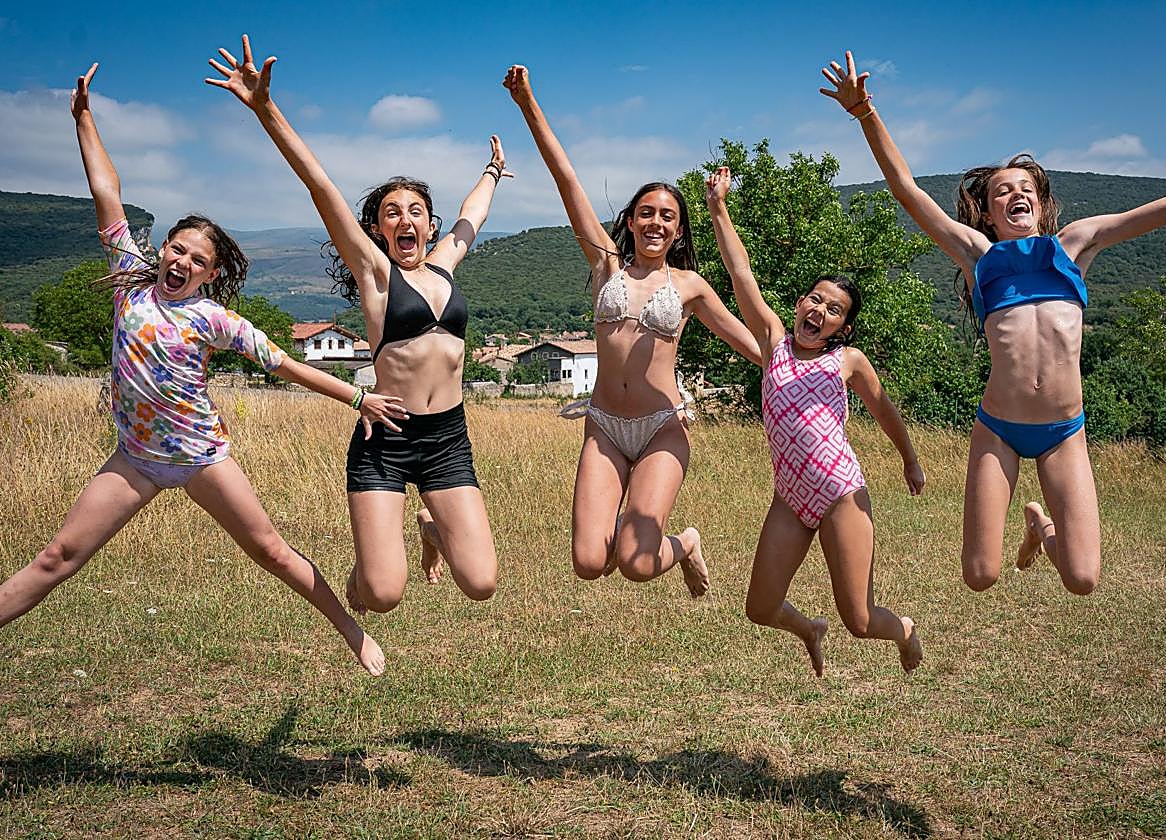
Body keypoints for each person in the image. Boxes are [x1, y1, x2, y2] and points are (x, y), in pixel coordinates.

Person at [0, 63, 404, 676]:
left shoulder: (216, 321)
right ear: (161, 249)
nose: (182, 260)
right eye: (176, 248)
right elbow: (106, 190)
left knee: (269, 548)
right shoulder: (131, 286)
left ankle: (351, 630)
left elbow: (288, 366)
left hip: (200, 456)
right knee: (58, 556)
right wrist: (83, 118)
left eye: (197, 258)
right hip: (134, 456)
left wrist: (358, 399)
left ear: (212, 274)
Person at [820, 50, 1166, 595]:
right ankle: (1025, 527)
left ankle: (1040, 530)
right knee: (980, 575)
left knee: (1083, 578)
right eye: (1001, 190)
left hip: (1064, 430)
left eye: (1025, 187)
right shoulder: (978, 256)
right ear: (989, 212)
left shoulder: (1076, 244)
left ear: (1042, 205)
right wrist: (865, 114)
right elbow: (907, 189)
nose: (1014, 194)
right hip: (998, 426)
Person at [208, 36, 501, 613]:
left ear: (428, 221)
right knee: (382, 594)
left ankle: (432, 528)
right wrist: (267, 110)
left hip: (447, 438)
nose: (406, 219)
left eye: (416, 210)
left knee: (482, 582)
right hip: (385, 442)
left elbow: (473, 217)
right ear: (378, 229)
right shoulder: (376, 275)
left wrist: (493, 171)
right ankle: (362, 577)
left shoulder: (444, 262)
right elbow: (321, 186)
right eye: (392, 212)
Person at [504, 65, 761, 595]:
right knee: (588, 563)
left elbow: (756, 345)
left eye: (668, 216)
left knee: (638, 564)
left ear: (678, 229)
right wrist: (528, 103)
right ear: (631, 219)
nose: (656, 223)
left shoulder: (690, 286)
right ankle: (648, 540)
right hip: (603, 426)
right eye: (646, 213)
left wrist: (813, 364)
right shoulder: (606, 267)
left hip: (662, 427)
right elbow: (567, 179)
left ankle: (684, 542)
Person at [705, 167, 924, 674]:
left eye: (834, 310)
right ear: (801, 303)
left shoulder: (847, 361)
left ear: (843, 327)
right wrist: (718, 207)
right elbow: (742, 276)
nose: (820, 310)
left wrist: (909, 458)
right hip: (789, 495)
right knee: (759, 607)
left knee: (861, 619)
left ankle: (905, 630)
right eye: (815, 299)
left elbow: (884, 410)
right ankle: (809, 628)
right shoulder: (773, 343)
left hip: (839, 492)